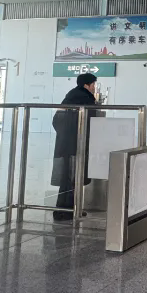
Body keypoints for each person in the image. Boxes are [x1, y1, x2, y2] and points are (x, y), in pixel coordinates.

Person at [51, 72, 98, 222]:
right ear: (87, 85)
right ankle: (67, 211)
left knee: (68, 177)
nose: (94, 88)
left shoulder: (72, 95)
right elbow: (89, 119)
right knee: (72, 177)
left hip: (66, 143)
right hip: (75, 144)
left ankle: (66, 209)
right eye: (93, 85)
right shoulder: (84, 97)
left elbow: (56, 120)